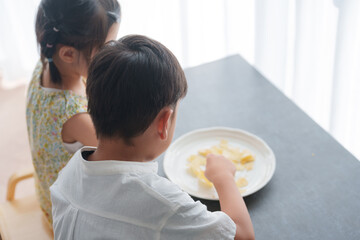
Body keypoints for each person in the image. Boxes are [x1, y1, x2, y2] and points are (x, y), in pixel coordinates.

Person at [50, 35, 255, 240]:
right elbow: (243, 235)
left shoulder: (67, 176)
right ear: (164, 122)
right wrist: (223, 177)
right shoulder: (164, 205)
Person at [26, 0, 121, 225]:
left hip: (46, 193)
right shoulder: (74, 115)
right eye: (106, 48)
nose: (112, 54)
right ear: (68, 54)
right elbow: (119, 152)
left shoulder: (44, 65)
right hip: (67, 215)